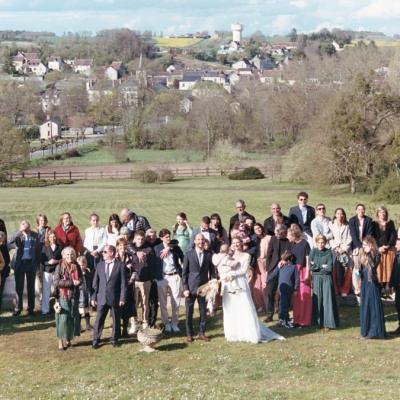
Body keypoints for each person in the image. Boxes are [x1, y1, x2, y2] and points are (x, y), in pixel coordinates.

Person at [219, 237, 284, 343]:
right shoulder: (228, 256)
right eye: (234, 243)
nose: (236, 245)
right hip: (229, 284)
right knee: (231, 307)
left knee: (244, 306)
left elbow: (243, 270)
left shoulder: (246, 256)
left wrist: (232, 274)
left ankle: (249, 332)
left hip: (240, 283)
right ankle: (234, 333)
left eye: (238, 243)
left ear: (241, 244)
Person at [182, 233, 215, 343]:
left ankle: (202, 333)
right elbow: (184, 274)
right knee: (189, 312)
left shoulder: (208, 254)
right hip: (190, 289)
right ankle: (189, 334)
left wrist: (213, 284)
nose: (201, 242)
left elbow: (212, 272)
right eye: (198, 240)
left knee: (203, 312)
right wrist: (185, 288)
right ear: (195, 241)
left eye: (202, 240)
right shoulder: (188, 255)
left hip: (204, 288)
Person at [92, 245, 126, 349]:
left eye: (105, 252)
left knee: (116, 319)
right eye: (103, 252)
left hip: (114, 297)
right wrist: (93, 297)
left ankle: (114, 339)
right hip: (102, 297)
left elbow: (123, 284)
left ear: (112, 253)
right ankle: (96, 340)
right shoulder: (99, 265)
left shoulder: (120, 265)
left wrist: (122, 298)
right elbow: (95, 283)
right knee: (99, 319)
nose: (103, 253)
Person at [154, 229, 184, 333]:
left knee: (176, 301)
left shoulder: (174, 247)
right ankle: (166, 323)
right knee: (163, 302)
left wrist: (169, 248)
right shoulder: (157, 248)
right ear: (161, 238)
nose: (168, 238)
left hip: (175, 276)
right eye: (166, 237)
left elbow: (183, 257)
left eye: (169, 236)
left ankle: (175, 323)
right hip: (162, 278)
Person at [9, 220, 41, 316]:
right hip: (20, 264)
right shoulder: (18, 235)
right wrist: (20, 231)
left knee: (31, 287)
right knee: (19, 287)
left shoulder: (35, 235)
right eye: (22, 224)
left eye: (26, 225)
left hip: (31, 264)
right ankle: (18, 308)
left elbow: (38, 250)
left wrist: (37, 263)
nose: (25, 227)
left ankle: (30, 308)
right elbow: (10, 241)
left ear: (29, 226)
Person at [53, 247, 82, 351]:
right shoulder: (59, 266)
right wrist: (71, 283)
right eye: (68, 255)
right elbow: (57, 282)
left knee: (72, 317)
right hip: (62, 296)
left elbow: (81, 279)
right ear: (63, 256)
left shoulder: (76, 265)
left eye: (72, 254)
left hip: (74, 296)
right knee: (63, 318)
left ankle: (68, 337)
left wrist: (79, 282)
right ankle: (60, 341)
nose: (70, 256)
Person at [309, 234, 339, 331]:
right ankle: (317, 322)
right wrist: (322, 266)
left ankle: (328, 323)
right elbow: (311, 267)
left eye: (323, 243)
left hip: (326, 278)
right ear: (316, 242)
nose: (321, 244)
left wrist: (316, 265)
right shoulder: (313, 251)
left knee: (327, 300)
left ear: (325, 243)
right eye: (319, 242)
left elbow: (329, 268)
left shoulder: (329, 252)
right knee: (317, 300)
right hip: (316, 278)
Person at [359, 236, 386, 339]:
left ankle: (374, 331)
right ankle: (366, 331)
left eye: (365, 245)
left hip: (372, 283)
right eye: (363, 245)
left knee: (373, 307)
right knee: (366, 306)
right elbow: (361, 268)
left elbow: (373, 266)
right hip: (365, 283)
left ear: (370, 245)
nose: (363, 247)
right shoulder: (363, 254)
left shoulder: (376, 254)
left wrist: (369, 253)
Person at [265, 224, 292, 322]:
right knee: (270, 292)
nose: (277, 235)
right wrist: (268, 268)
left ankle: (282, 314)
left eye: (278, 233)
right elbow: (269, 253)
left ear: (284, 232)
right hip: (272, 268)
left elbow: (290, 253)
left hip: (284, 268)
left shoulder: (288, 240)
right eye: (276, 233)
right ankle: (269, 314)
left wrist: (285, 260)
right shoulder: (273, 239)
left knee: (282, 293)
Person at [288, 225, 312, 327]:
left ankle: (305, 321)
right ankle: (296, 320)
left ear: (294, 235)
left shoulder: (305, 243)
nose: (288, 237)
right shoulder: (291, 245)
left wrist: (307, 272)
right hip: (294, 271)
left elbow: (308, 259)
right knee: (296, 297)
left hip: (303, 271)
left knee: (304, 296)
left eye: (289, 235)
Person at [130, 230, 154, 331]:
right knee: (134, 303)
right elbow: (128, 246)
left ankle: (145, 321)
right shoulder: (130, 247)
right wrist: (136, 252)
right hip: (134, 280)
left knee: (145, 302)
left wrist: (141, 252)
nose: (140, 241)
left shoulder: (147, 248)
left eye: (142, 239)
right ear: (135, 239)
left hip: (145, 280)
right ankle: (133, 323)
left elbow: (147, 252)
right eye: (138, 239)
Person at [349, 203, 374, 298]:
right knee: (356, 268)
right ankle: (357, 289)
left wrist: (364, 247)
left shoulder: (369, 220)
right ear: (356, 210)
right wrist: (360, 247)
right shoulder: (352, 220)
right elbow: (353, 235)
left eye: (362, 209)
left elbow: (369, 234)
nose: (361, 211)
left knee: (366, 267)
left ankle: (365, 286)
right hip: (356, 248)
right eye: (359, 209)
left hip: (366, 248)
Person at [373, 206, 397, 296]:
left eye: (384, 212)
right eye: (380, 212)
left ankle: (388, 288)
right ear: (377, 214)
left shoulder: (390, 223)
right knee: (380, 269)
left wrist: (388, 245)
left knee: (389, 269)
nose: (382, 214)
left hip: (389, 250)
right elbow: (373, 237)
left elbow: (393, 235)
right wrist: (379, 247)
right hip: (379, 250)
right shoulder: (374, 223)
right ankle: (380, 288)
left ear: (386, 214)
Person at [329, 208, 353, 297]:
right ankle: (336, 289)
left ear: (344, 215)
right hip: (335, 250)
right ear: (335, 214)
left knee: (348, 269)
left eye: (342, 213)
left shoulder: (347, 225)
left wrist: (343, 248)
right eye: (338, 213)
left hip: (346, 250)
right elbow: (330, 237)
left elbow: (350, 238)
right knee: (334, 270)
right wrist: (336, 247)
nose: (340, 215)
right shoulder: (331, 224)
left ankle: (345, 290)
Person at [115, 238, 136, 337]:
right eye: (120, 245)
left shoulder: (130, 257)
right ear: (117, 247)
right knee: (118, 309)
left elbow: (135, 271)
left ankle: (125, 330)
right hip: (117, 286)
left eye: (124, 245)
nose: (122, 247)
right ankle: (117, 330)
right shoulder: (114, 258)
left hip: (128, 285)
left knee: (127, 309)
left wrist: (130, 282)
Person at [41, 231, 62, 315]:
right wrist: (48, 263)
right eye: (50, 237)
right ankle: (45, 310)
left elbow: (63, 259)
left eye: (54, 236)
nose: (52, 238)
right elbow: (42, 260)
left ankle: (58, 308)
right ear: (48, 238)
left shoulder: (60, 247)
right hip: (47, 271)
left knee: (57, 290)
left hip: (57, 271)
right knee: (46, 291)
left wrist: (56, 261)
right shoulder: (45, 247)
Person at [250, 223, 269, 313]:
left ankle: (269, 305)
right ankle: (260, 305)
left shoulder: (268, 238)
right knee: (256, 286)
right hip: (256, 264)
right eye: (255, 229)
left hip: (266, 264)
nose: (258, 230)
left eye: (259, 228)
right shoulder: (254, 240)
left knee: (265, 284)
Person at [277, 250, 299, 328]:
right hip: (281, 288)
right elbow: (276, 274)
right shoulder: (281, 267)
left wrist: (296, 289)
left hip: (288, 289)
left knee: (285, 305)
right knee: (282, 304)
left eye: (285, 260)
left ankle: (285, 320)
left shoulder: (293, 267)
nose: (283, 261)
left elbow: (297, 279)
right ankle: (282, 319)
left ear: (289, 259)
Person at [144, 228, 161, 328]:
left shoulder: (159, 242)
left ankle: (152, 321)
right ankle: (146, 321)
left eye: (153, 235)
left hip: (155, 277)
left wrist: (169, 247)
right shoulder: (143, 244)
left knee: (154, 301)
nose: (151, 237)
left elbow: (173, 242)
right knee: (146, 301)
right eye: (149, 236)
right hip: (146, 277)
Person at [77, 256, 93, 332]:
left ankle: (88, 325)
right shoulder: (76, 273)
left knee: (87, 311)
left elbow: (90, 282)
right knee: (80, 312)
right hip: (80, 294)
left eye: (83, 264)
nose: (82, 266)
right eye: (80, 265)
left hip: (87, 294)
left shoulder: (88, 272)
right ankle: (79, 326)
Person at [389, 237, 400, 334]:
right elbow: (393, 271)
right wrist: (391, 284)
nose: (395, 246)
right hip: (397, 286)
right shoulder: (397, 256)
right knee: (398, 305)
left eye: (397, 244)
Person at [0, 231, 10, 314]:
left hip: (2, 272)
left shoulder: (4, 247)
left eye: (1, 236)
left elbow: (7, 260)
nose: (0, 237)